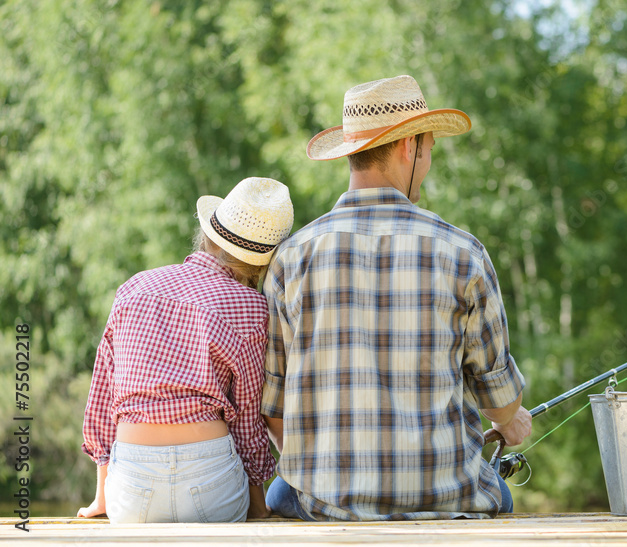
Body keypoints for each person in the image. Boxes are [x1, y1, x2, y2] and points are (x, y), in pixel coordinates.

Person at [262, 74, 531, 521]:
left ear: (352, 153)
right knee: (499, 491)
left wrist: (331, 476)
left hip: (328, 504)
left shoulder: (292, 258)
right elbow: (500, 403)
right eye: (428, 149)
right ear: (411, 147)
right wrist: (509, 419)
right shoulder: (463, 253)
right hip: (449, 499)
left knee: (279, 495)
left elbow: (274, 410)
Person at [79, 177, 294, 522]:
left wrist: (102, 497)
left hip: (131, 491)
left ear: (208, 235)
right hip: (212, 484)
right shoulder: (253, 307)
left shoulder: (134, 288)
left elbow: (102, 399)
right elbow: (248, 418)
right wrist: (256, 502)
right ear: (261, 263)